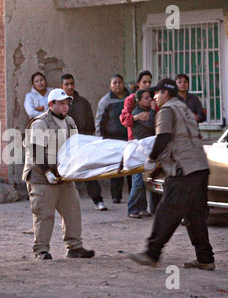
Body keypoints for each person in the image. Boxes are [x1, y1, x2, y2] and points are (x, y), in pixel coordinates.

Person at [128, 78, 215, 271]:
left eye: (156, 94)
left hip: (183, 169)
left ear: (165, 93)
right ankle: (205, 258)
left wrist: (151, 159)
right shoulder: (183, 108)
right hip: (200, 167)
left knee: (167, 211)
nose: (154, 98)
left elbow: (164, 137)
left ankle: (152, 253)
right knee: (195, 216)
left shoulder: (166, 110)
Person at [23, 88, 95, 260]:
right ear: (51, 104)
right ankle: (41, 250)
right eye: (61, 104)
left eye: (67, 103)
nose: (65, 107)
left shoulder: (69, 122)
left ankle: (75, 247)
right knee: (44, 214)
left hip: (64, 175)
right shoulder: (41, 123)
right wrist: (47, 172)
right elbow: (36, 151)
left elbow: (73, 147)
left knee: (72, 211)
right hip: (42, 176)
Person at [61, 73, 107, 211]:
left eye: (71, 83)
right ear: (62, 86)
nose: (70, 86)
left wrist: (87, 138)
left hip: (82, 142)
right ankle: (65, 203)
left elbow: (90, 122)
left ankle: (98, 200)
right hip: (65, 144)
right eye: (66, 84)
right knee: (65, 173)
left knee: (89, 172)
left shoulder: (82, 102)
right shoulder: (59, 104)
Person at [120, 70, 161, 215]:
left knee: (151, 176)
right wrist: (136, 117)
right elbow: (124, 118)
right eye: (144, 82)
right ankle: (135, 208)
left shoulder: (153, 97)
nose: (147, 84)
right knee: (138, 176)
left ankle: (145, 209)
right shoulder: (131, 99)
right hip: (137, 140)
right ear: (138, 84)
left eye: (149, 82)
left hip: (151, 141)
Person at [95, 74, 132, 204]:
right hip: (113, 138)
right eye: (114, 83)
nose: (117, 85)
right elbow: (100, 120)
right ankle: (116, 196)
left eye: (120, 82)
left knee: (132, 165)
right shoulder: (105, 101)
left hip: (129, 136)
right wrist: (100, 139)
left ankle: (133, 194)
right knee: (117, 168)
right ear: (110, 85)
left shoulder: (131, 97)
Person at [126, 89, 156, 219]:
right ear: (139, 100)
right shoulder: (138, 113)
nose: (150, 100)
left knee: (145, 181)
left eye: (150, 97)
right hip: (139, 150)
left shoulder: (148, 112)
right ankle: (132, 208)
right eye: (146, 98)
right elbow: (150, 125)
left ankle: (142, 208)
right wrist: (154, 111)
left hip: (148, 149)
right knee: (138, 180)